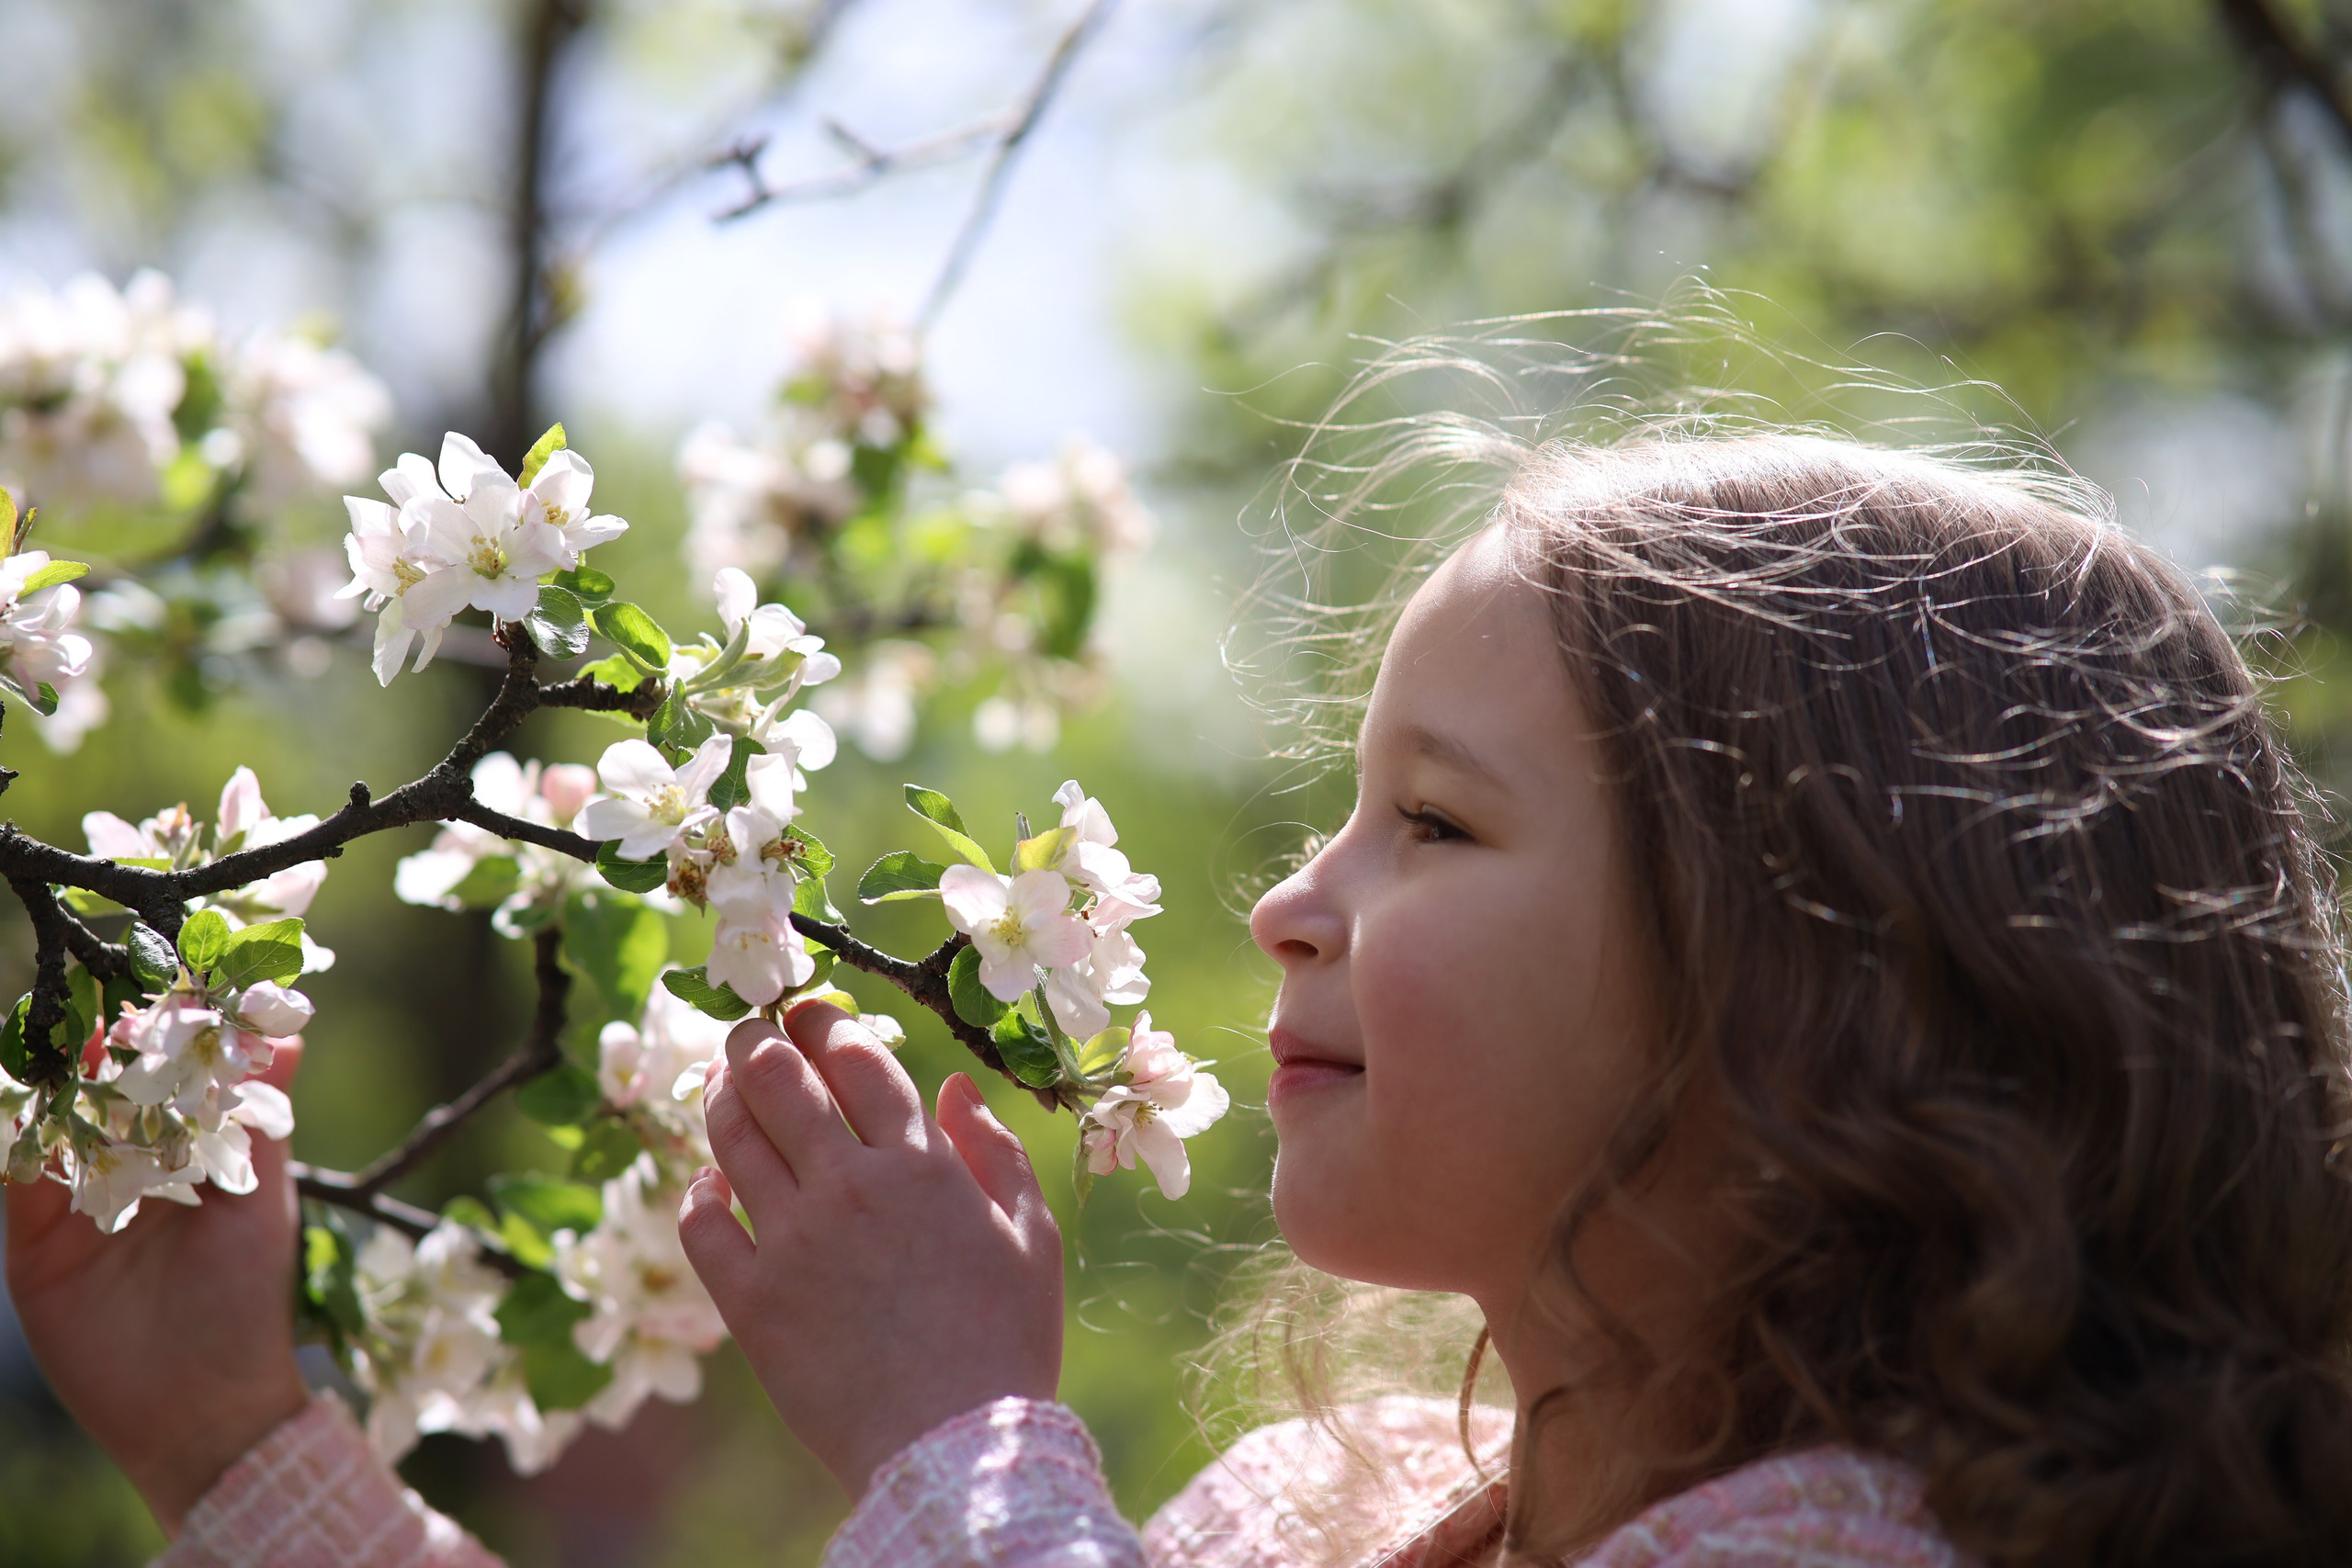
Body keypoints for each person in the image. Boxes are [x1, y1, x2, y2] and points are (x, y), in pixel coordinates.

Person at [14, 422, 2352, 1568]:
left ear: (1816, 989)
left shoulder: (1854, 1546)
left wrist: (955, 1449)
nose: (1287, 906)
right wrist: (238, 1437)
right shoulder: (1326, 1507)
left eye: (1432, 824)